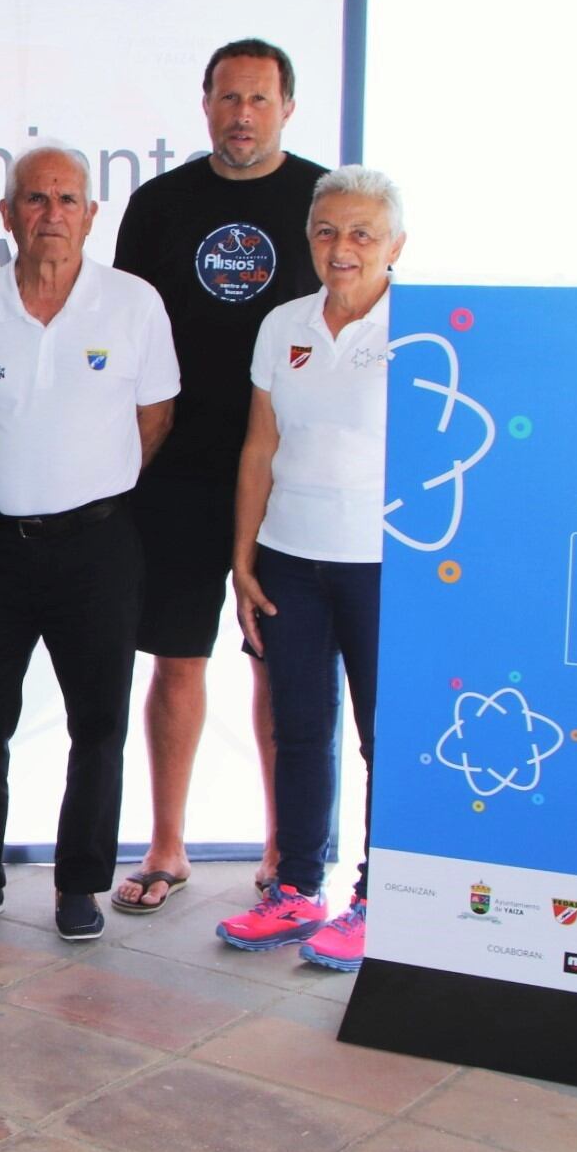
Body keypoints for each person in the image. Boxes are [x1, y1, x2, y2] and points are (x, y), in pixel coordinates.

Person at [0, 142, 178, 943]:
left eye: (68, 199)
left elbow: (153, 418)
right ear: (6, 215)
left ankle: (79, 884)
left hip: (97, 548)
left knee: (96, 724)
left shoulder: (133, 303)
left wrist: (79, 486)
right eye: (35, 199)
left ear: (91, 214)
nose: (52, 214)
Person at [109, 37, 326, 915]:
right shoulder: (159, 205)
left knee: (281, 667)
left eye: (259, 99)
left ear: (286, 107)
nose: (242, 114)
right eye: (227, 98)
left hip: (290, 477)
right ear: (203, 104)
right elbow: (120, 340)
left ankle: (284, 852)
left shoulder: (321, 202)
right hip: (180, 474)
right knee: (178, 659)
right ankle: (167, 845)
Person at [218, 166, 403, 972]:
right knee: (297, 730)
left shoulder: (423, 330)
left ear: (397, 244)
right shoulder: (281, 324)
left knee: (383, 741)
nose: (342, 248)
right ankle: (296, 889)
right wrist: (242, 556)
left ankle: (382, 896)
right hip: (290, 560)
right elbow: (260, 446)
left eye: (362, 233)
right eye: (327, 231)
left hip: (380, 567)